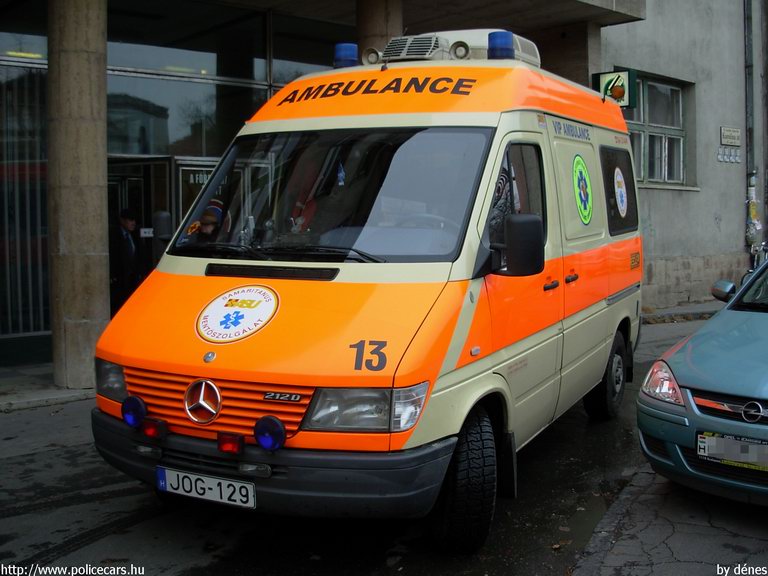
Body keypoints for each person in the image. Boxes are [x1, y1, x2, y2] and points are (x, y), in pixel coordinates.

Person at [110, 208, 143, 314]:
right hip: (120, 281)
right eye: (130, 220)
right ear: (122, 221)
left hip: (133, 280)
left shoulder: (136, 236)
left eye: (134, 220)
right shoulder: (114, 236)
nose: (133, 223)